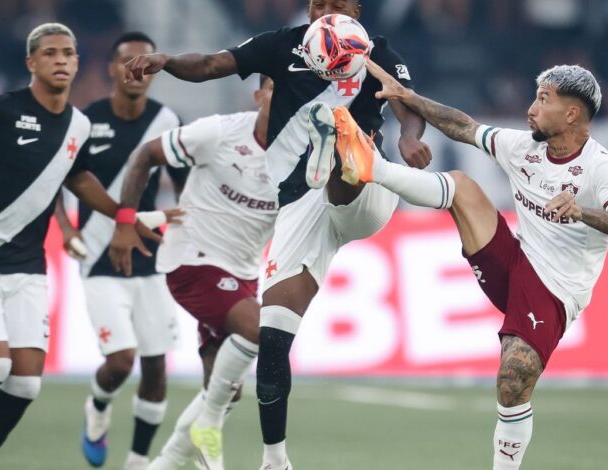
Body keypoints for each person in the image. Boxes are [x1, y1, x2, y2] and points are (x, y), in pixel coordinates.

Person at [115, 1, 431, 468]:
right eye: (319, 4)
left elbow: (405, 104)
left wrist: (408, 137)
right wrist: (167, 62)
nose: (327, 11)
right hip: (299, 206)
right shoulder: (282, 47)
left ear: (356, 9)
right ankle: (274, 459)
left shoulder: (378, 52)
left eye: (337, 4)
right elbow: (211, 64)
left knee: (354, 162)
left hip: (365, 190)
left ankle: (341, 144)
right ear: (308, 8)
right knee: (273, 333)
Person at [361, 60, 608, 469]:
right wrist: (409, 98)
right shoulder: (523, 146)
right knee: (461, 185)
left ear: (571, 114)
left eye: (543, 99)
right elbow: (463, 126)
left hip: (553, 290)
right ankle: (376, 170)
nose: (531, 108)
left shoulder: (600, 168)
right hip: (512, 260)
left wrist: (583, 212)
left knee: (513, 377)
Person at [0, 23, 158, 470]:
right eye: (51, 53)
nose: (61, 61)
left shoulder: (79, 124)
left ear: (78, 63)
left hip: (28, 267)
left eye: (69, 53)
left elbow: (77, 177)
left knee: (24, 386)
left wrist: (125, 214)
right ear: (31, 62)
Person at [123, 75, 277, 470]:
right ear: (257, 95)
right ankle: (207, 426)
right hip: (192, 260)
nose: (285, 99)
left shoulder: (300, 154)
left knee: (224, 391)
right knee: (261, 330)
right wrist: (127, 219)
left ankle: (168, 462)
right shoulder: (220, 132)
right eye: (276, 90)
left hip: (243, 272)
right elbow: (145, 155)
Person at [53, 31, 184, 470]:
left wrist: (189, 222)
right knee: (121, 361)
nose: (136, 69)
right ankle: (99, 404)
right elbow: (52, 177)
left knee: (155, 366)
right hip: (97, 254)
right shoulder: (85, 121)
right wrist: (66, 227)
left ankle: (137, 461)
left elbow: (187, 184)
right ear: (111, 68)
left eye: (145, 61)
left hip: (150, 255)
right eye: (126, 61)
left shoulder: (168, 121)